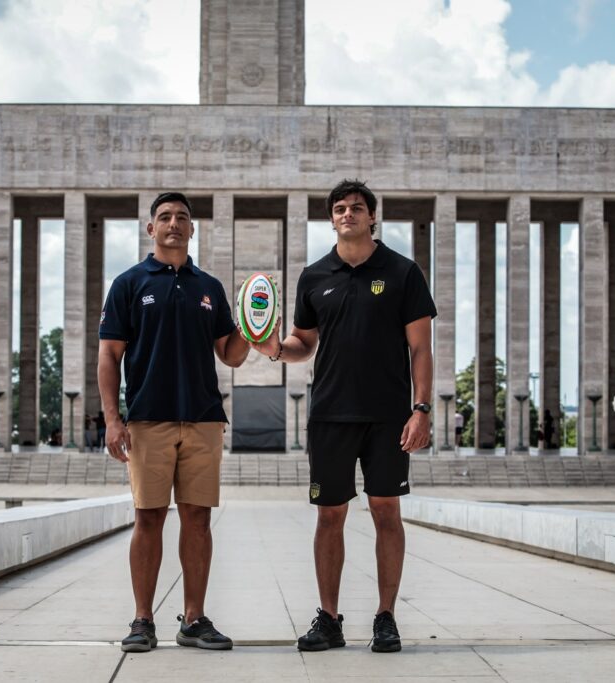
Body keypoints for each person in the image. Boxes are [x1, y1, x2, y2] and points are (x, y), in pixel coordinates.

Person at [251, 179, 436, 654]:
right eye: (339, 208)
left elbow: (421, 348)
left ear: (372, 216)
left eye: (356, 207)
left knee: (386, 511)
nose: (348, 214)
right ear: (331, 218)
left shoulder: (403, 272)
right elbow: (303, 343)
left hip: (388, 415)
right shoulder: (314, 276)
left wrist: (421, 409)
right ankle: (329, 619)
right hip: (330, 414)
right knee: (329, 515)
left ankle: (386, 617)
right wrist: (274, 349)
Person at [98, 191, 250, 653]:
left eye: (182, 217)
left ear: (192, 228)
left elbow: (231, 354)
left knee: (198, 520)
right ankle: (142, 619)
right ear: (151, 228)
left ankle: (194, 619)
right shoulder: (129, 283)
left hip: (203, 418)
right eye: (164, 217)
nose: (173, 223)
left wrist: (255, 327)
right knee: (148, 518)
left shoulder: (209, 287)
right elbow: (108, 355)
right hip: (148, 419)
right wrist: (112, 419)